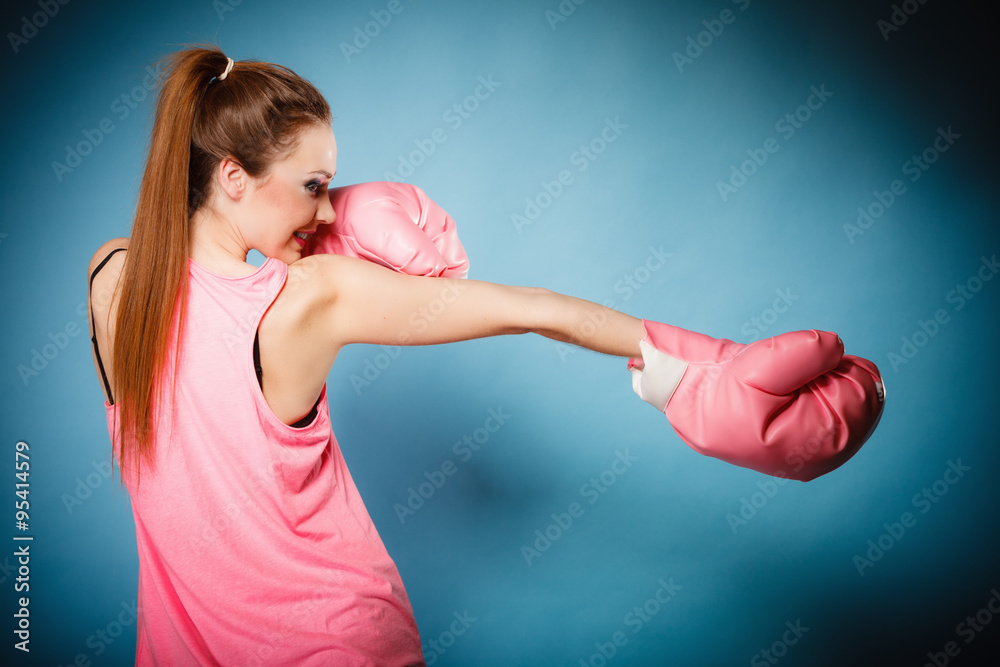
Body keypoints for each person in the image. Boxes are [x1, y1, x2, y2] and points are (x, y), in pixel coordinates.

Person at [87, 46, 884, 666]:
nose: (329, 206)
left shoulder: (110, 281)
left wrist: (322, 224)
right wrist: (698, 370)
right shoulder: (310, 295)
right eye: (315, 184)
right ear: (232, 177)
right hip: (332, 641)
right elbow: (535, 309)